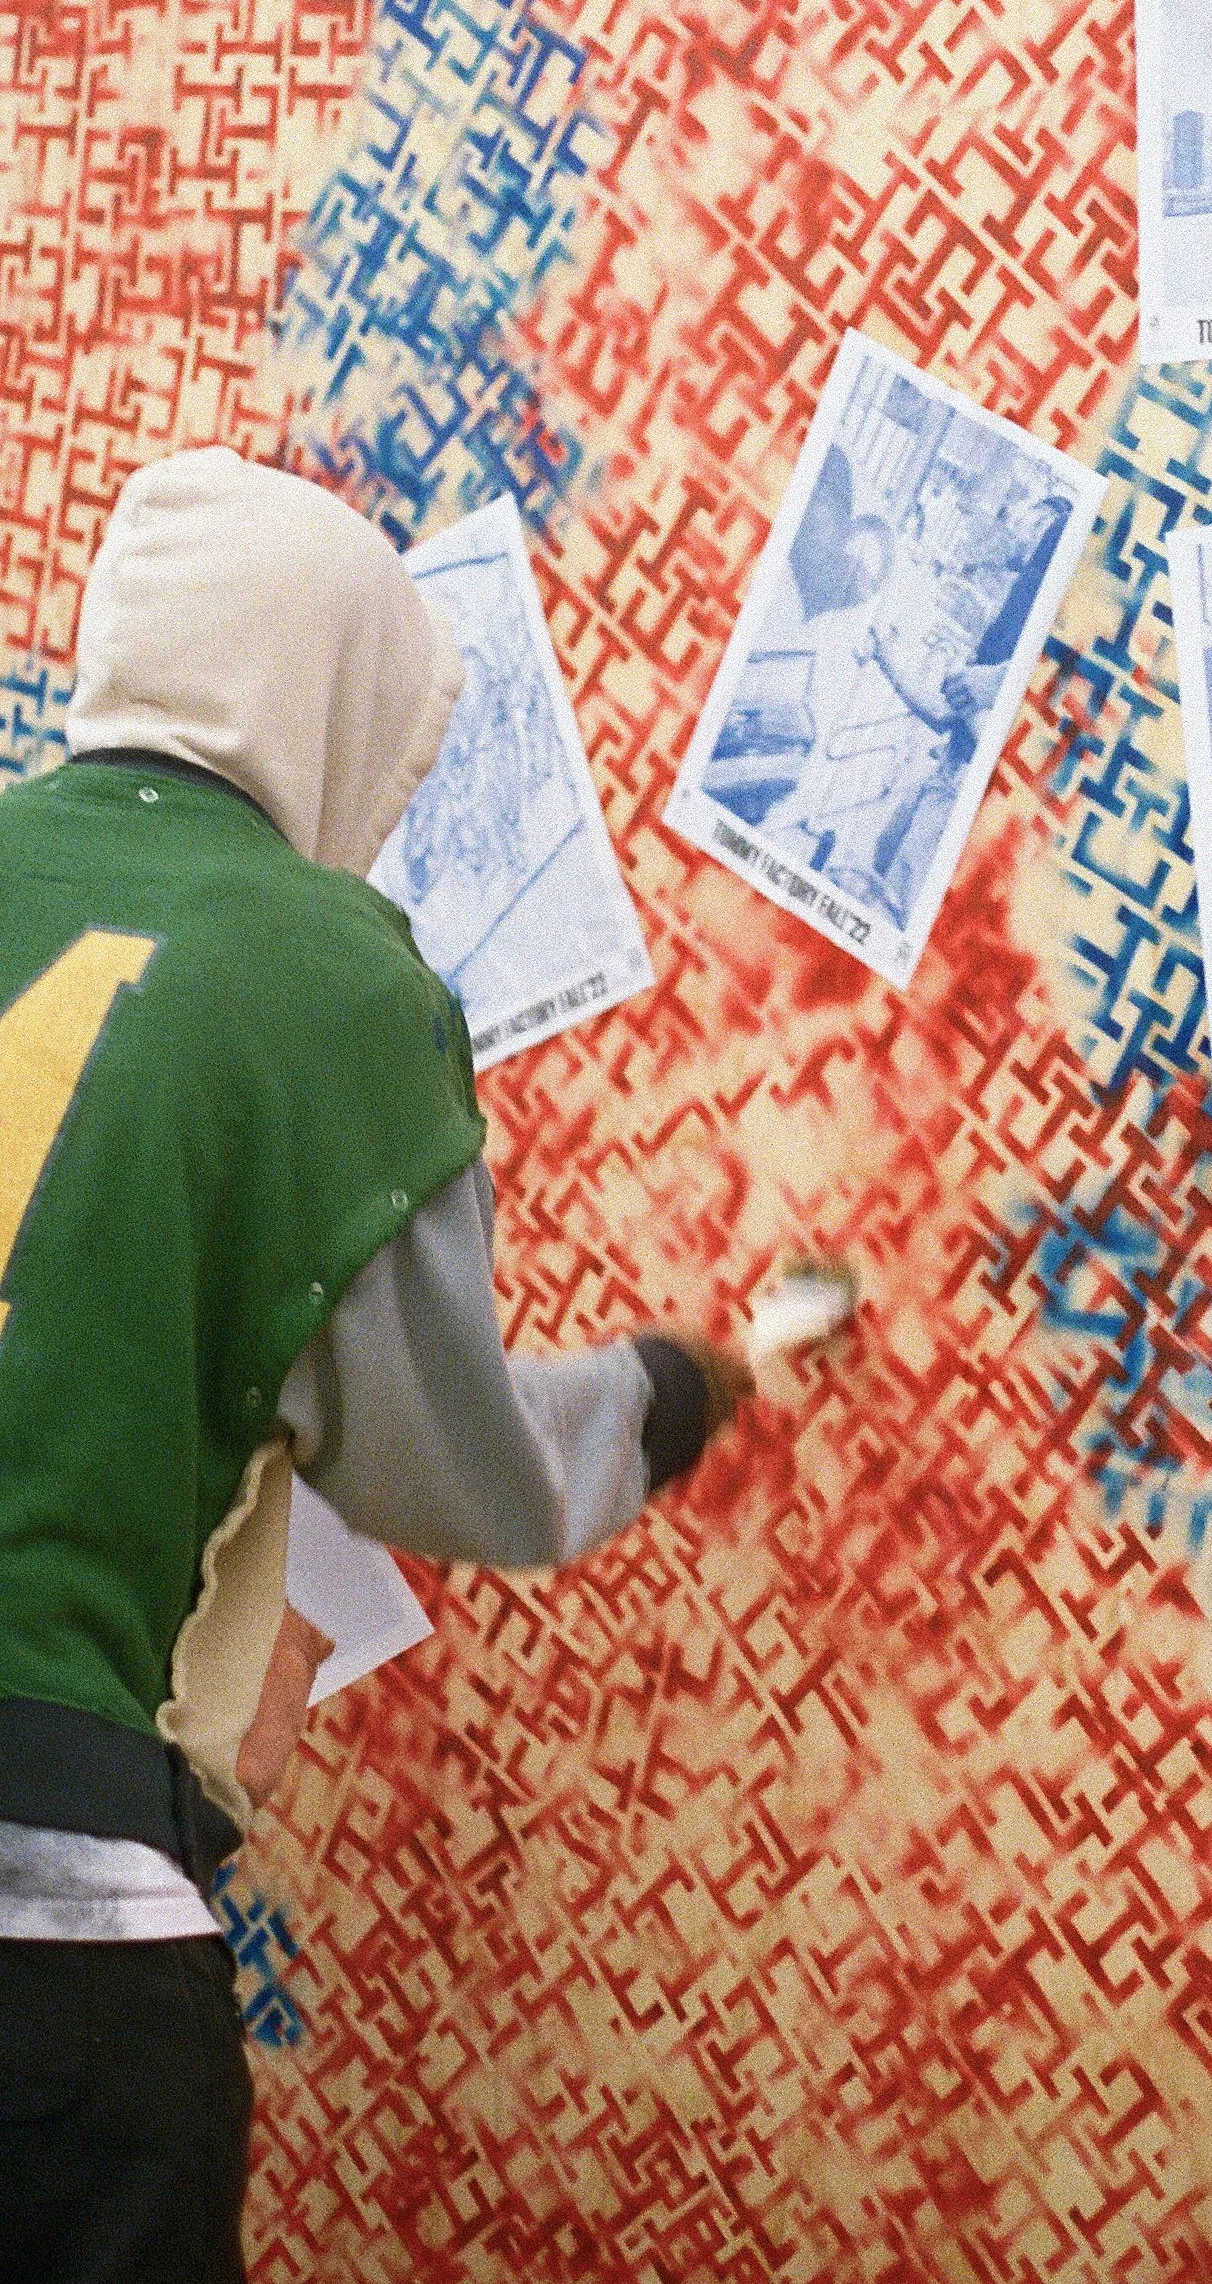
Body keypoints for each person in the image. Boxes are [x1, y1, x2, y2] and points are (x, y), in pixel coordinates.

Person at [0, 447, 750, 2284]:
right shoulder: (332, 980)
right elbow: (462, 1471)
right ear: (332, 706)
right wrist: (669, 1398)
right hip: (51, 1948)